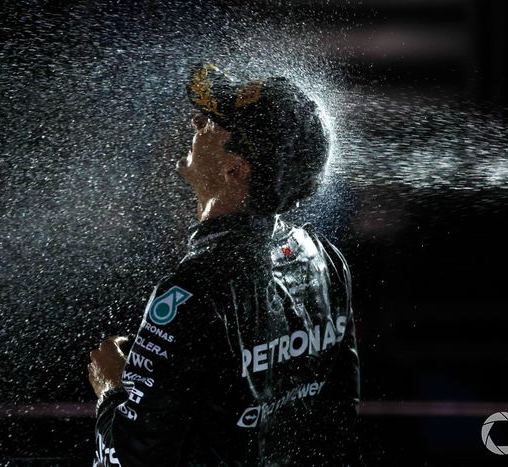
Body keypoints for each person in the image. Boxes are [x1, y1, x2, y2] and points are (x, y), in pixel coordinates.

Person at [88, 64, 360, 466]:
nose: (197, 121)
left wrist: (113, 388)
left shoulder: (193, 292)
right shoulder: (325, 259)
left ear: (235, 171)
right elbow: (338, 420)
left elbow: (132, 459)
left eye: (214, 121)